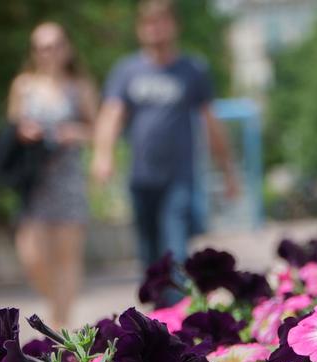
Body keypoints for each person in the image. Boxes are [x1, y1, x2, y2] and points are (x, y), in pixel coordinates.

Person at [92, 0, 239, 274]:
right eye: (148, 22)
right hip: (141, 178)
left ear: (174, 26)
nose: (155, 28)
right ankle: (155, 316)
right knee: (149, 259)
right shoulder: (127, 71)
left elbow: (211, 122)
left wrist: (227, 169)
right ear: (139, 29)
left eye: (161, 21)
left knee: (174, 253)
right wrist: (103, 155)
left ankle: (177, 313)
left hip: (179, 179)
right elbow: (111, 114)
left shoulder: (192, 70)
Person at [7, 22, 99, 329]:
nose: (50, 52)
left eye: (56, 44)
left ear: (67, 48)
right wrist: (24, 131)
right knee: (31, 256)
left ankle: (61, 323)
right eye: (43, 47)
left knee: (67, 258)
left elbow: (98, 130)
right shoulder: (24, 86)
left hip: (68, 180)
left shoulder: (79, 86)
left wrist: (75, 133)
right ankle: (57, 305)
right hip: (34, 182)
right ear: (34, 52)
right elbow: (10, 131)